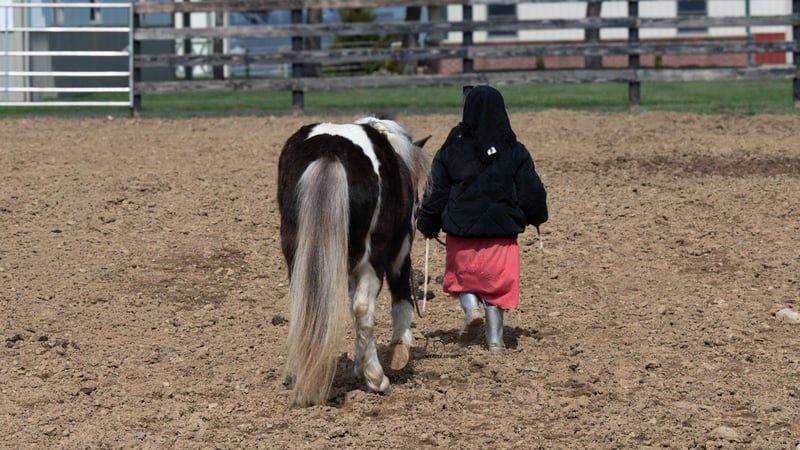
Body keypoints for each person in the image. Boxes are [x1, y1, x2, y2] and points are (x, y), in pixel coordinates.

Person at [416, 85, 548, 353]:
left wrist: (427, 224)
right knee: (495, 289)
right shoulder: (515, 151)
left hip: (461, 235)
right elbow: (531, 190)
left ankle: (471, 309)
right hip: (502, 237)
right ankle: (495, 340)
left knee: (463, 280)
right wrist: (537, 217)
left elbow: (436, 192)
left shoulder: (450, 150)